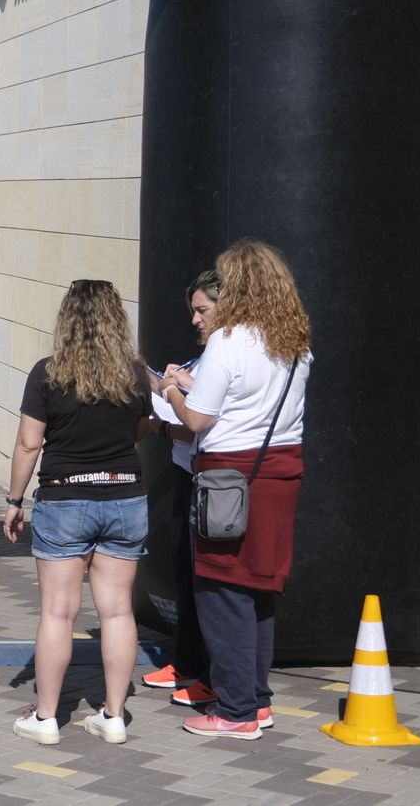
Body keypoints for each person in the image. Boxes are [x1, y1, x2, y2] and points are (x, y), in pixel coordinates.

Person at [159, 240, 311, 740]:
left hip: (228, 476)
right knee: (260, 587)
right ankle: (258, 701)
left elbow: (199, 418)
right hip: (280, 472)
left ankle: (235, 710)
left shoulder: (228, 340)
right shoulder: (294, 341)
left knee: (222, 590)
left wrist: (172, 389)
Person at [3, 279, 153, 746]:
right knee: (116, 612)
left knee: (57, 613)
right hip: (126, 497)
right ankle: (113, 716)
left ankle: (46, 718)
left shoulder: (48, 373)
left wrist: (13, 500)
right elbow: (140, 428)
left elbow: (30, 443)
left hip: (64, 499)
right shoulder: (134, 373)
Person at [140, 271, 221, 705]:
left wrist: (172, 395)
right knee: (184, 576)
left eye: (202, 309)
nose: (194, 319)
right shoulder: (205, 359)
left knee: (204, 581)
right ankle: (186, 664)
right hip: (187, 476)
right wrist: (158, 382)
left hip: (209, 479)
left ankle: (204, 673)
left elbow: (195, 423)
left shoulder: (224, 358)